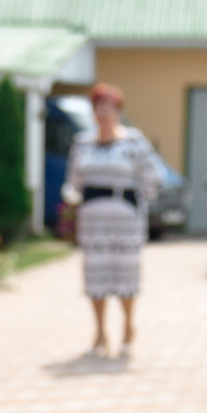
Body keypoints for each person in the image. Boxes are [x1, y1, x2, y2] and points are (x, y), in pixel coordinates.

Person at [62, 83, 160, 359]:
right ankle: (100, 331)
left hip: (124, 221)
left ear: (119, 112)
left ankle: (128, 326)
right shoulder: (82, 143)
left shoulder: (134, 142)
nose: (104, 114)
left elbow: (152, 178)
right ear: (93, 113)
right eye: (99, 109)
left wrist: (138, 202)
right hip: (93, 222)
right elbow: (73, 182)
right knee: (96, 277)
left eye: (110, 108)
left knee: (125, 275)